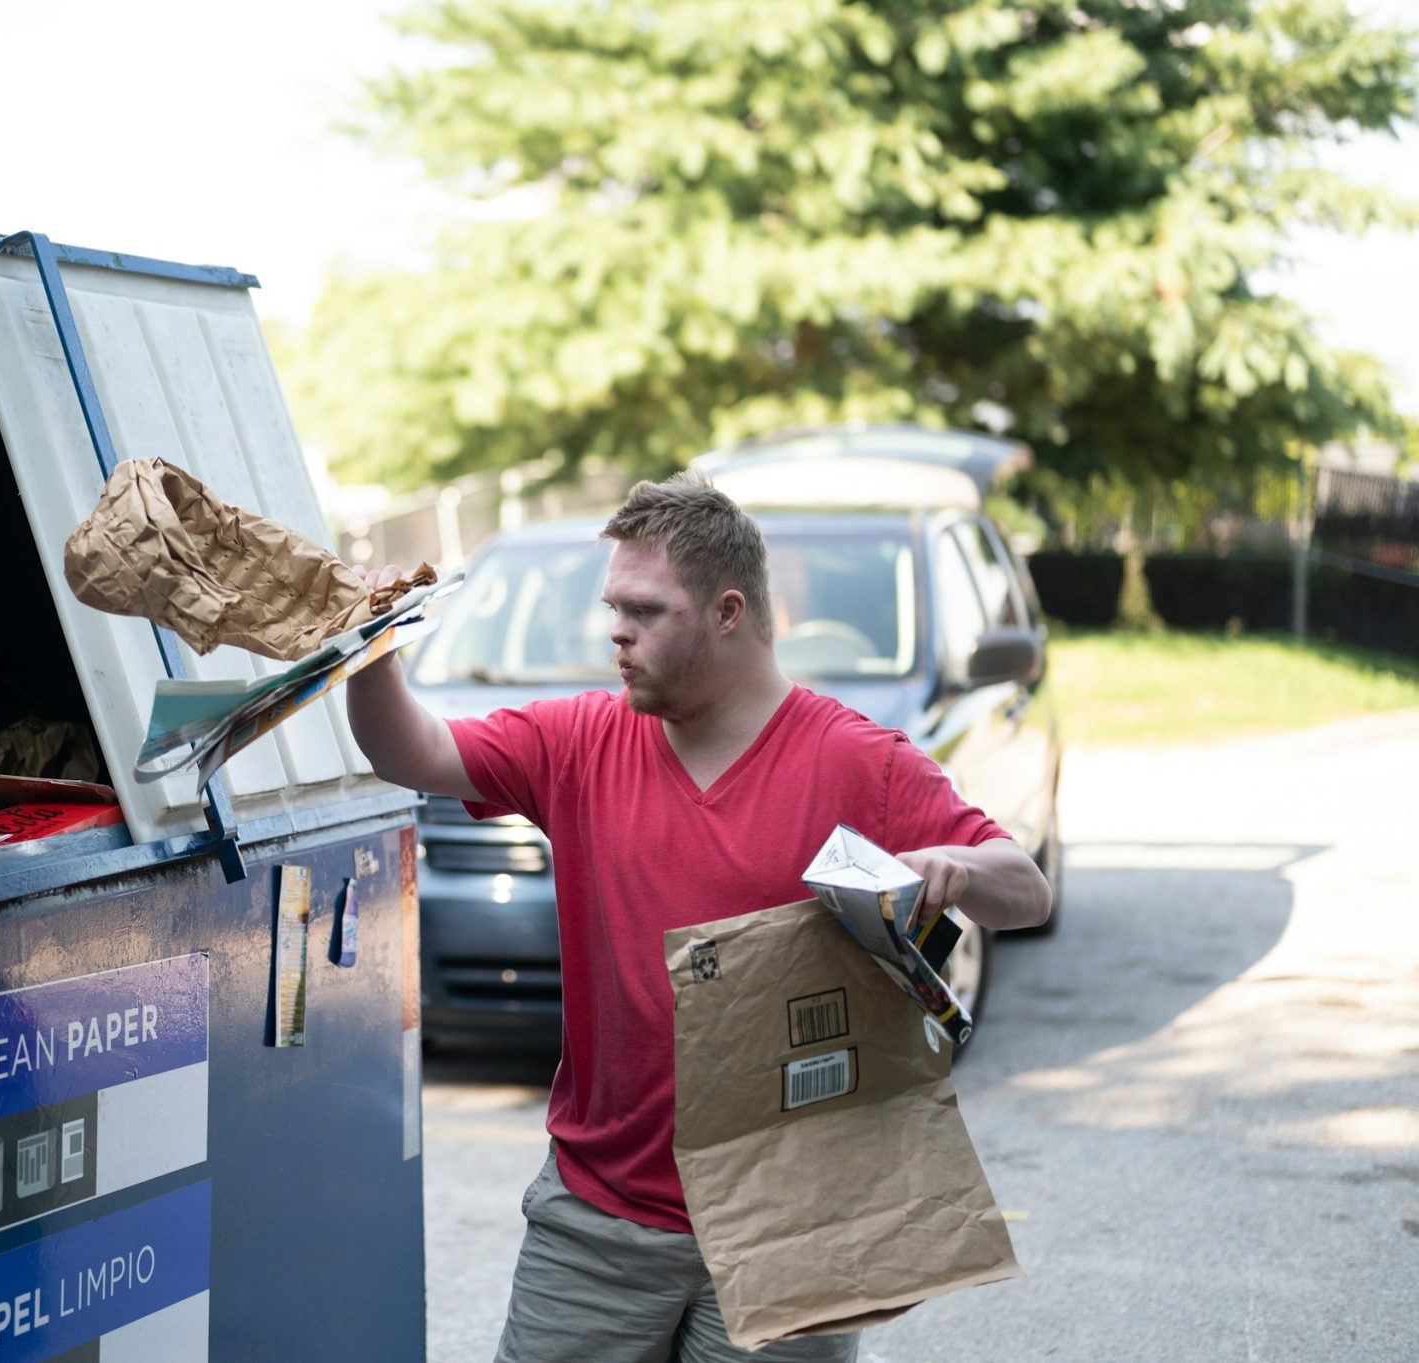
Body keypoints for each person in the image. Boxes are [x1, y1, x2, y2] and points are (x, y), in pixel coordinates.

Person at [346, 473, 1051, 1363]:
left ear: (727, 612)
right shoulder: (580, 741)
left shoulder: (856, 759)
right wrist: (367, 651)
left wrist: (956, 866)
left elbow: (1026, 887)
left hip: (792, 1221)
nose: (616, 631)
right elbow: (414, 749)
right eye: (614, 606)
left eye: (645, 610)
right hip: (598, 1220)